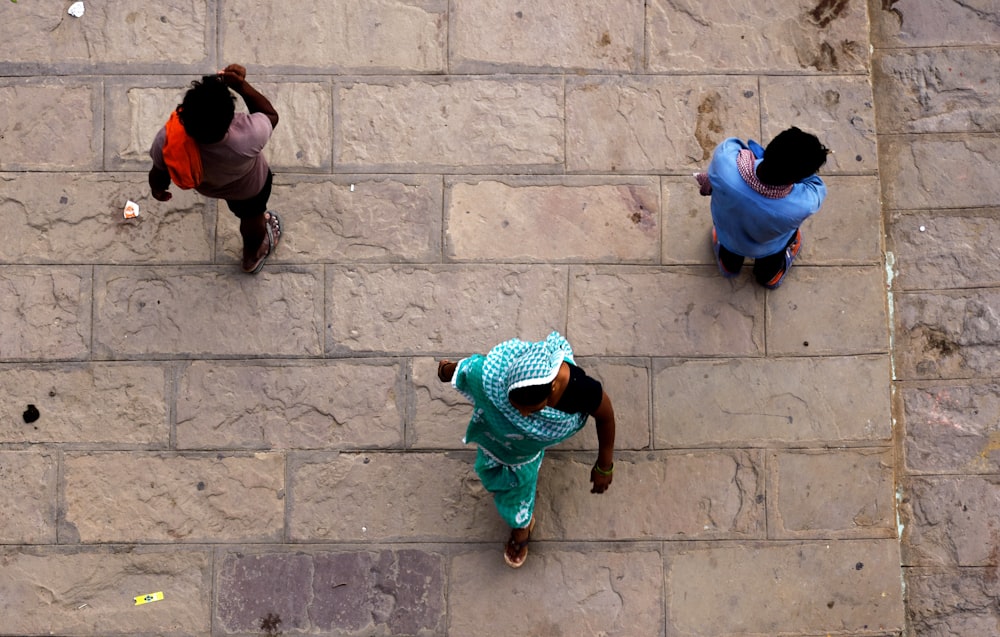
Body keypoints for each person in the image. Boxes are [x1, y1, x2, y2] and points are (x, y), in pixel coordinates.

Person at [436, 331, 616, 569]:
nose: (522, 416)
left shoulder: (579, 388)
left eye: (532, 410)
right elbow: (467, 368)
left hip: (520, 455)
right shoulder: (492, 376)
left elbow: (606, 417)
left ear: (552, 387)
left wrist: (604, 465)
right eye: (516, 407)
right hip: (501, 440)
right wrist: (445, 371)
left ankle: (521, 527)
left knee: (516, 488)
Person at [148, 64, 281, 274]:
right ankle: (252, 256)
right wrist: (241, 85)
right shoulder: (248, 136)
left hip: (207, 185)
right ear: (230, 120)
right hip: (248, 188)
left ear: (183, 116)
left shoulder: (166, 140)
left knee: (249, 214)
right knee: (252, 217)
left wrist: (158, 189)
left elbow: (158, 171)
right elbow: (269, 114)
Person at [695, 126, 829, 289]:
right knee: (771, 262)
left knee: (730, 251)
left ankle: (728, 266)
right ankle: (768, 277)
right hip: (768, 247)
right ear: (798, 177)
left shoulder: (724, 161)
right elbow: (816, 185)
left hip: (727, 233)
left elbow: (736, 145)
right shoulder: (803, 205)